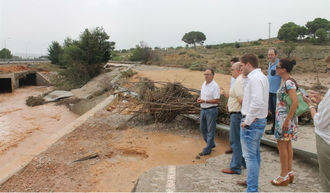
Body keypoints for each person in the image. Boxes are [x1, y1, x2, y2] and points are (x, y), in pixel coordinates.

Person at [238, 54, 269, 192]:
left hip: (252, 123)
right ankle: (252, 185)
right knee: (254, 155)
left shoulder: (255, 79)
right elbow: (252, 97)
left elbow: (257, 102)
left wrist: (248, 121)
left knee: (250, 157)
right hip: (258, 120)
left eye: (242, 66)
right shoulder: (261, 77)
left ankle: (252, 189)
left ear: (248, 64)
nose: (240, 68)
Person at [303, 56, 330, 191]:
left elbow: (320, 122)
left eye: (329, 69)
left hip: (326, 142)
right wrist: (321, 101)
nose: (328, 72)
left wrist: (311, 105)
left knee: (326, 181)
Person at [270, 58, 298, 186]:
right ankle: (289, 173)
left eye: (278, 67)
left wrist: (287, 120)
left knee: (282, 146)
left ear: (283, 69)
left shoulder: (288, 83)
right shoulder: (286, 82)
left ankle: (283, 175)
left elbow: (295, 102)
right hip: (284, 119)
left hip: (284, 120)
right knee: (287, 145)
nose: (276, 69)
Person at [221, 62, 246, 175]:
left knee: (235, 141)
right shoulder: (239, 81)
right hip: (236, 113)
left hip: (237, 114)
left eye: (232, 69)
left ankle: (235, 167)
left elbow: (242, 100)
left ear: (239, 70)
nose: (231, 72)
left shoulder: (239, 81)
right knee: (238, 141)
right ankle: (243, 163)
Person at [197, 68, 220, 157]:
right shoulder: (204, 84)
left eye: (208, 74)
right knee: (202, 128)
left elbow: (217, 100)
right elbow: (202, 95)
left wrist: (204, 101)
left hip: (211, 110)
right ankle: (211, 144)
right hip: (203, 109)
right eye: (205, 74)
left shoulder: (215, 86)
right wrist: (200, 99)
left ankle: (207, 149)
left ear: (212, 76)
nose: (206, 76)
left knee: (210, 130)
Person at [225, 57, 240, 154]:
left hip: (237, 111)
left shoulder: (240, 80)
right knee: (234, 133)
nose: (231, 69)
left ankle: (236, 164)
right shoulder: (233, 78)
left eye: (232, 67)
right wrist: (228, 102)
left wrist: (226, 94)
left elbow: (240, 97)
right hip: (233, 107)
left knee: (235, 135)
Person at [265, 48, 281, 135]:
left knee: (276, 111)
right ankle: (275, 128)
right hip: (270, 91)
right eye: (269, 55)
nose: (270, 56)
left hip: (276, 92)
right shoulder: (270, 64)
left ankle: (275, 129)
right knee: (272, 110)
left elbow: (282, 77)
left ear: (276, 55)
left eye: (271, 55)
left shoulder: (279, 64)